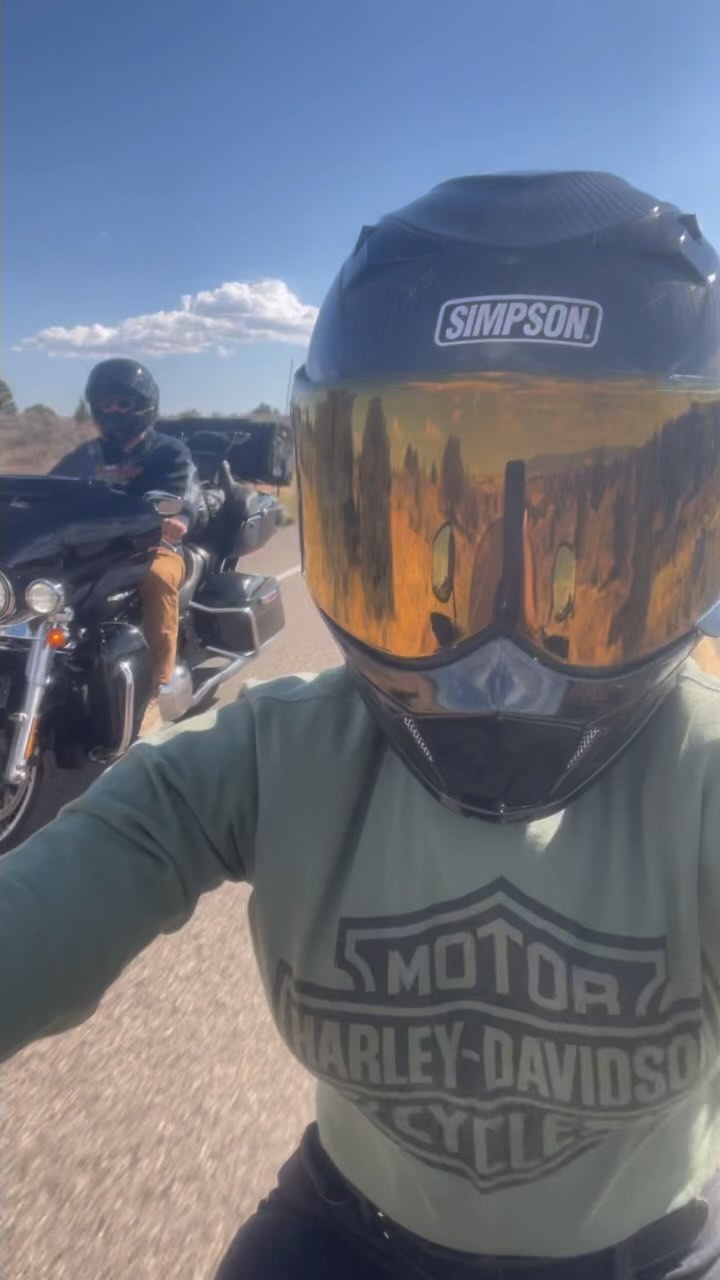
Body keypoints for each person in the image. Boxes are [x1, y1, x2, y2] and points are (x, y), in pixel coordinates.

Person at [4, 171, 720, 1279]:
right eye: (432, 536)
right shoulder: (272, 755)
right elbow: (70, 887)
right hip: (348, 1230)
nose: (496, 657)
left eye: (585, 549)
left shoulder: (701, 778)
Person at [52, 358, 201, 732]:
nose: (113, 410)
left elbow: (182, 496)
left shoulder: (168, 452)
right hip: (96, 549)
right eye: (105, 402)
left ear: (144, 405)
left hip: (154, 547)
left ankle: (156, 690)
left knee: (157, 579)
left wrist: (176, 517)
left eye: (122, 402)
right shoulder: (87, 455)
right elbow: (51, 489)